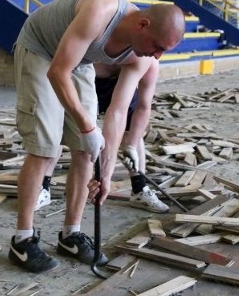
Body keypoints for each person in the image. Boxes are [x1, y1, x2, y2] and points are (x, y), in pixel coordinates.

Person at [8, 0, 185, 273]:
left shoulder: (141, 56)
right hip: (42, 50)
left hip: (78, 62)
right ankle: (22, 240)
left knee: (85, 151)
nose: (157, 55)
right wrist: (88, 126)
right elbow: (57, 72)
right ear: (143, 25)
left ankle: (71, 234)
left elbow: (117, 112)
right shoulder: (101, 11)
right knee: (44, 146)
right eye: (157, 46)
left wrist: (106, 172)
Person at [35, 58, 169, 214]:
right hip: (84, 77)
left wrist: (130, 145)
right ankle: (43, 187)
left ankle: (140, 189)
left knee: (133, 129)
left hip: (121, 84)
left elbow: (143, 107)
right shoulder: (101, 46)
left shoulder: (148, 62)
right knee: (60, 126)